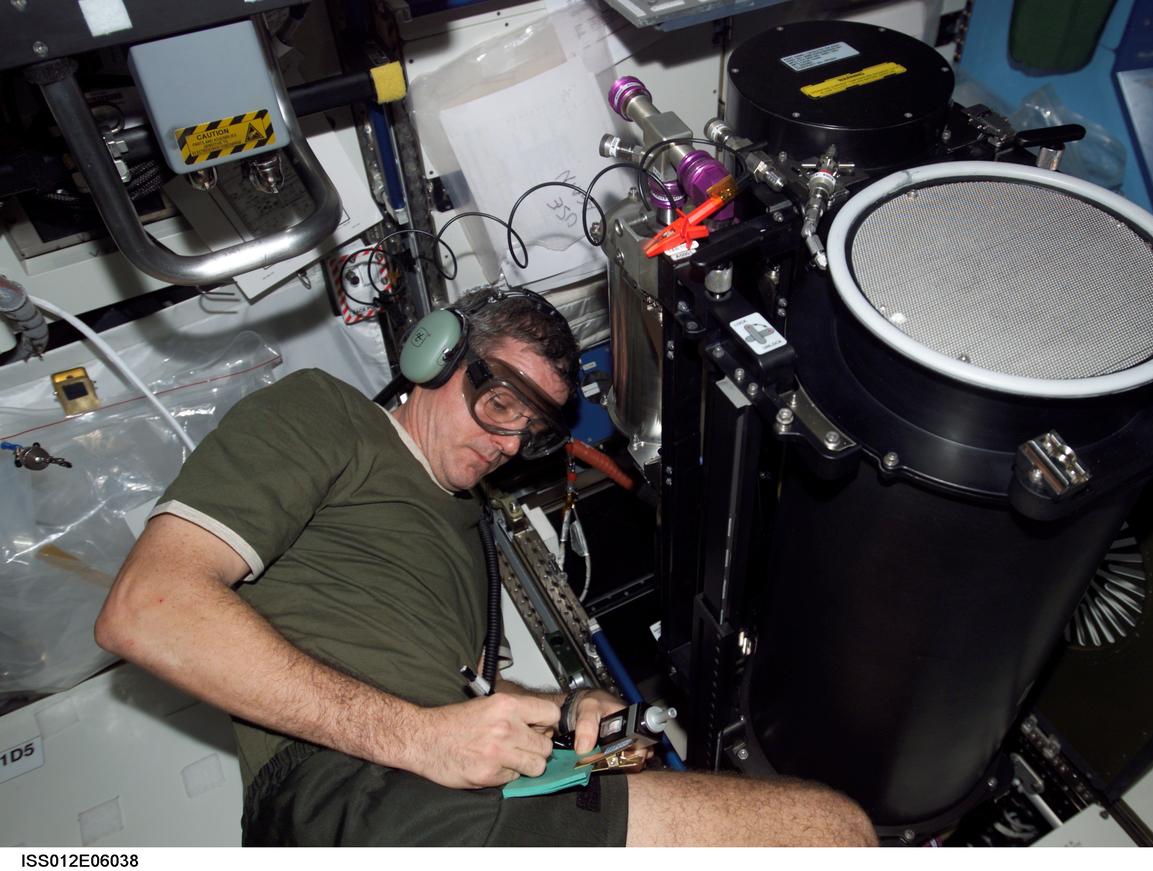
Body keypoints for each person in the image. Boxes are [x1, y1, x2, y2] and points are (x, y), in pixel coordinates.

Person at [95, 288, 876, 847]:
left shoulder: (467, 526)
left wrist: (561, 708)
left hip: (426, 784)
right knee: (826, 833)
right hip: (353, 793)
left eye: (531, 430)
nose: (508, 443)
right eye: (501, 403)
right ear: (435, 354)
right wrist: (420, 738)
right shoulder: (324, 412)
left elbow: (460, 694)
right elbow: (150, 607)